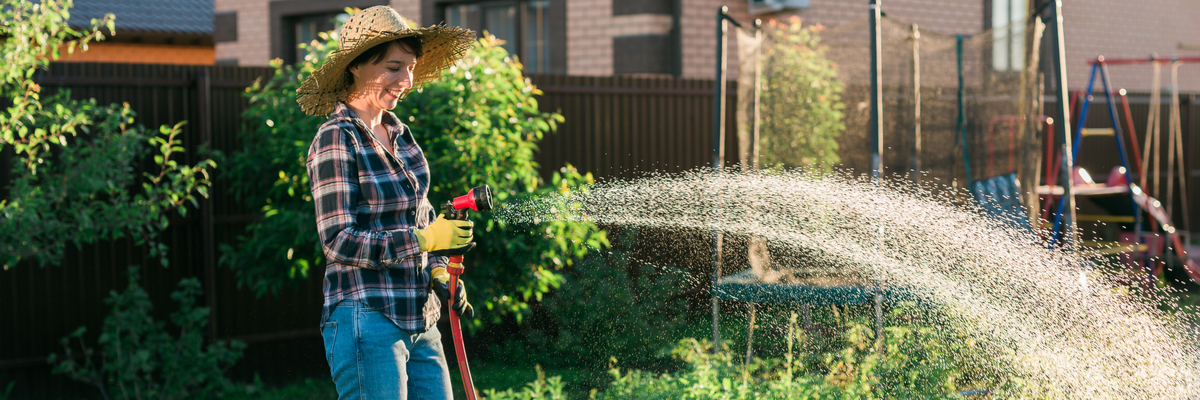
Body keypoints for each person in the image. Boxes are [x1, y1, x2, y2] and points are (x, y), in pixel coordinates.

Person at [296, 6, 476, 399]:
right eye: (395, 67)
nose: (406, 80)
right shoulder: (336, 138)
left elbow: (423, 217)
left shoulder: (401, 135)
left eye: (410, 68)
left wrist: (440, 269)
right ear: (357, 66)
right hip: (367, 317)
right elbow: (339, 241)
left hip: (421, 317)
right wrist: (424, 241)